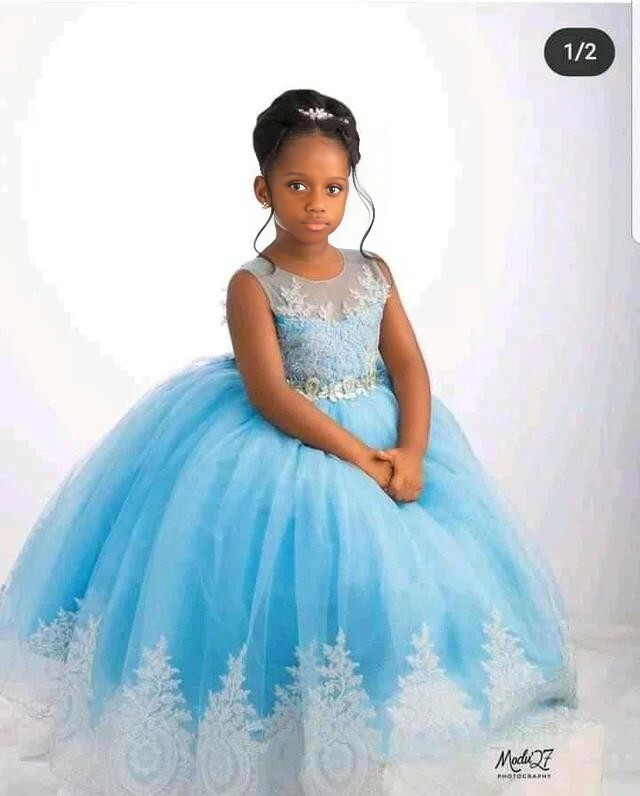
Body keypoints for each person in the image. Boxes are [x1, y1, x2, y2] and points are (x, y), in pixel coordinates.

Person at [0, 88, 581, 795]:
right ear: (263, 190)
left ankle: (377, 726)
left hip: (385, 435)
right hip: (289, 444)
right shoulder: (254, 284)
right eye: (297, 185)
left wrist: (411, 451)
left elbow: (408, 366)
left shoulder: (374, 272)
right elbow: (271, 394)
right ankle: (286, 729)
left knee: (402, 584)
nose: (316, 204)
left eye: (333, 188)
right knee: (295, 576)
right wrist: (359, 458)